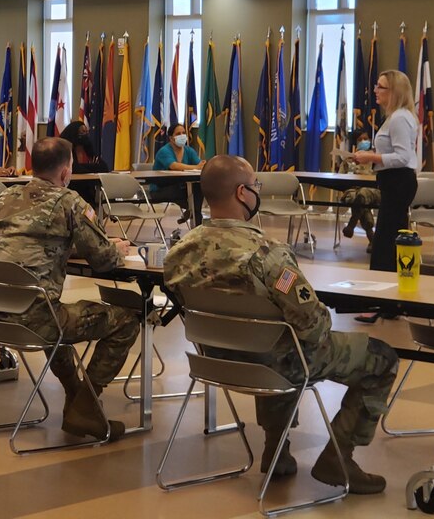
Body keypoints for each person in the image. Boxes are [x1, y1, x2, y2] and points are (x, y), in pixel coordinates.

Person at [163, 155, 399, 495]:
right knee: (380, 356)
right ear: (243, 192)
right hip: (271, 367)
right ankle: (339, 456)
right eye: (256, 186)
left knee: (273, 340)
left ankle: (277, 450)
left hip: (216, 362)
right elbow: (314, 326)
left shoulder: (179, 252)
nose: (257, 191)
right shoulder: (268, 256)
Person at [0, 137, 138, 441]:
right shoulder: (68, 201)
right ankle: (85, 405)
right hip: (34, 320)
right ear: (67, 171)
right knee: (127, 319)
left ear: (31, 166)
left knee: (53, 312)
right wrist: (117, 249)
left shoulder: (6, 198)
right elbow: (104, 260)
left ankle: (74, 395)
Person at [350, 70, 419, 274]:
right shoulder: (395, 117)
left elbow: (402, 157)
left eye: (380, 87)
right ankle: (388, 275)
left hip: (399, 181)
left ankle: (386, 276)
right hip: (393, 181)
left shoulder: (399, 118)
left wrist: (371, 158)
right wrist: (371, 154)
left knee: (387, 235)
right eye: (376, 86)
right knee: (387, 233)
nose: (375, 90)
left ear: (395, 91)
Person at [150, 123, 205, 226]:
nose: (182, 135)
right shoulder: (164, 151)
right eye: (178, 133)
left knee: (198, 187)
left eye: (184, 133)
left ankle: (193, 212)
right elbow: (174, 166)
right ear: (171, 138)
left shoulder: (188, 150)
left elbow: (199, 164)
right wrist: (196, 167)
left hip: (181, 188)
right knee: (189, 195)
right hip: (160, 190)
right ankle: (192, 211)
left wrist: (201, 165)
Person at [340, 131, 379, 250]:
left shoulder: (375, 159)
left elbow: (380, 180)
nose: (363, 141)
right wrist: (351, 166)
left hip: (372, 190)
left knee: (363, 194)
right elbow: (339, 178)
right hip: (352, 190)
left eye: (365, 138)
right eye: (360, 139)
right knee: (357, 198)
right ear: (356, 143)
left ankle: (352, 224)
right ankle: (372, 238)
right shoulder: (349, 160)